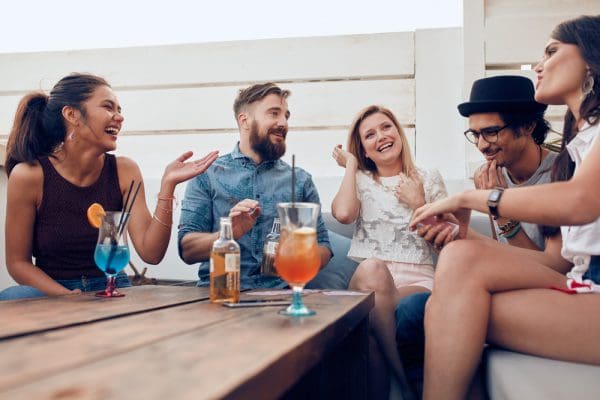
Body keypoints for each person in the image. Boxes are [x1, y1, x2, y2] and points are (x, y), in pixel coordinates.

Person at [409, 15, 600, 400]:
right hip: (584, 284)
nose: (538, 66)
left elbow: (582, 202)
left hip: (587, 286)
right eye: (474, 135)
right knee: (458, 262)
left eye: (551, 51)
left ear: (592, 62)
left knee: (438, 310)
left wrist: (470, 199)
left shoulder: (566, 163)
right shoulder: (580, 147)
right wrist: (464, 234)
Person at [395, 75, 557, 396]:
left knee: (421, 310)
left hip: (548, 290)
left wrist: (501, 211)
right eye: (475, 134)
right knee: (410, 311)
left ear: (526, 127)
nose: (482, 145)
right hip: (506, 286)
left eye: (491, 132)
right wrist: (458, 234)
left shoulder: (561, 174)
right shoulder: (493, 175)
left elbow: (553, 268)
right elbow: (504, 255)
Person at [0, 73, 218, 300]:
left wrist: (168, 185)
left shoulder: (125, 171)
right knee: (13, 296)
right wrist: (68, 297)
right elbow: (18, 263)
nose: (119, 117)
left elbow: (151, 253)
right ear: (71, 114)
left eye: (120, 110)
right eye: (108, 107)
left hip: (111, 287)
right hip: (52, 291)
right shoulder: (29, 175)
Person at [331, 105, 448, 399]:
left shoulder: (428, 178)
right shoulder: (359, 180)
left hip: (417, 281)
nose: (381, 136)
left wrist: (418, 202)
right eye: (369, 135)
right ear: (364, 150)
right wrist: (351, 167)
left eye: (386, 127)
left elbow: (446, 242)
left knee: (371, 327)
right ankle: (406, 385)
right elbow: (344, 214)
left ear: (398, 132)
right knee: (374, 270)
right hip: (368, 281)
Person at [178, 82, 332, 290]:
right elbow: (187, 250)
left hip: (281, 297)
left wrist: (300, 253)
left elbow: (324, 246)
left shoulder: (301, 180)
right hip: (220, 294)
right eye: (274, 113)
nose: (283, 123)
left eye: (286, 116)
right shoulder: (207, 174)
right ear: (245, 120)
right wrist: (227, 234)